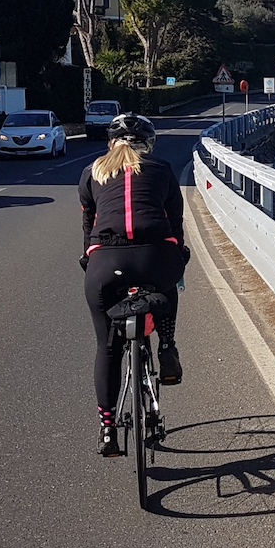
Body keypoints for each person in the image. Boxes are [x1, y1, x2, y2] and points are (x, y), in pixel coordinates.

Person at [79, 113, 190, 457]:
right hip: (154, 257)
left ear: (110, 143)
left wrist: (89, 261)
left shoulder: (92, 172)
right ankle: (167, 347)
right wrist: (179, 257)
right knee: (168, 277)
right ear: (150, 144)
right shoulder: (161, 169)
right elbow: (175, 224)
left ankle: (108, 429)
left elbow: (88, 227)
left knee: (107, 347)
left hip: (105, 263)